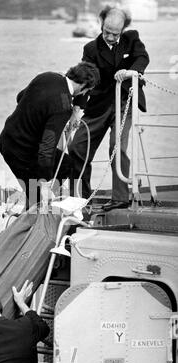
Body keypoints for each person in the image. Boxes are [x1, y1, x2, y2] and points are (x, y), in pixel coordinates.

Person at [68, 6, 150, 211]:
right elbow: (86, 77)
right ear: (101, 24)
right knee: (77, 145)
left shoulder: (132, 39)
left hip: (124, 103)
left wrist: (129, 72)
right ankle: (80, 196)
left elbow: (142, 58)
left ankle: (121, 198)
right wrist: (76, 109)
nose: (111, 37)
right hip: (99, 105)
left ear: (123, 29)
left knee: (117, 147)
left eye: (115, 33)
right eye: (107, 32)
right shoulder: (91, 49)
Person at [0, 62, 100, 208]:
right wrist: (45, 184)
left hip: (10, 136)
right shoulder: (63, 107)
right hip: (19, 151)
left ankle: (37, 199)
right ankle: (36, 210)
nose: (85, 94)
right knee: (38, 197)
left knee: (65, 165)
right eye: (87, 90)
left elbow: (20, 97)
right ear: (83, 85)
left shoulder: (47, 77)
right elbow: (47, 148)